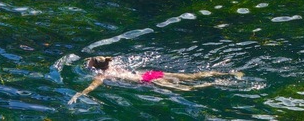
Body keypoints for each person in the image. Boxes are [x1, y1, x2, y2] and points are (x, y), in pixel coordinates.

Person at [68, 56, 243, 104]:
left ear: (96, 68)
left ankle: (215, 83)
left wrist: (79, 94)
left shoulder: (102, 76)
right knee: (192, 77)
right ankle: (227, 72)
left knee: (186, 88)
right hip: (150, 74)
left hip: (147, 81)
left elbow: (92, 87)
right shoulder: (112, 65)